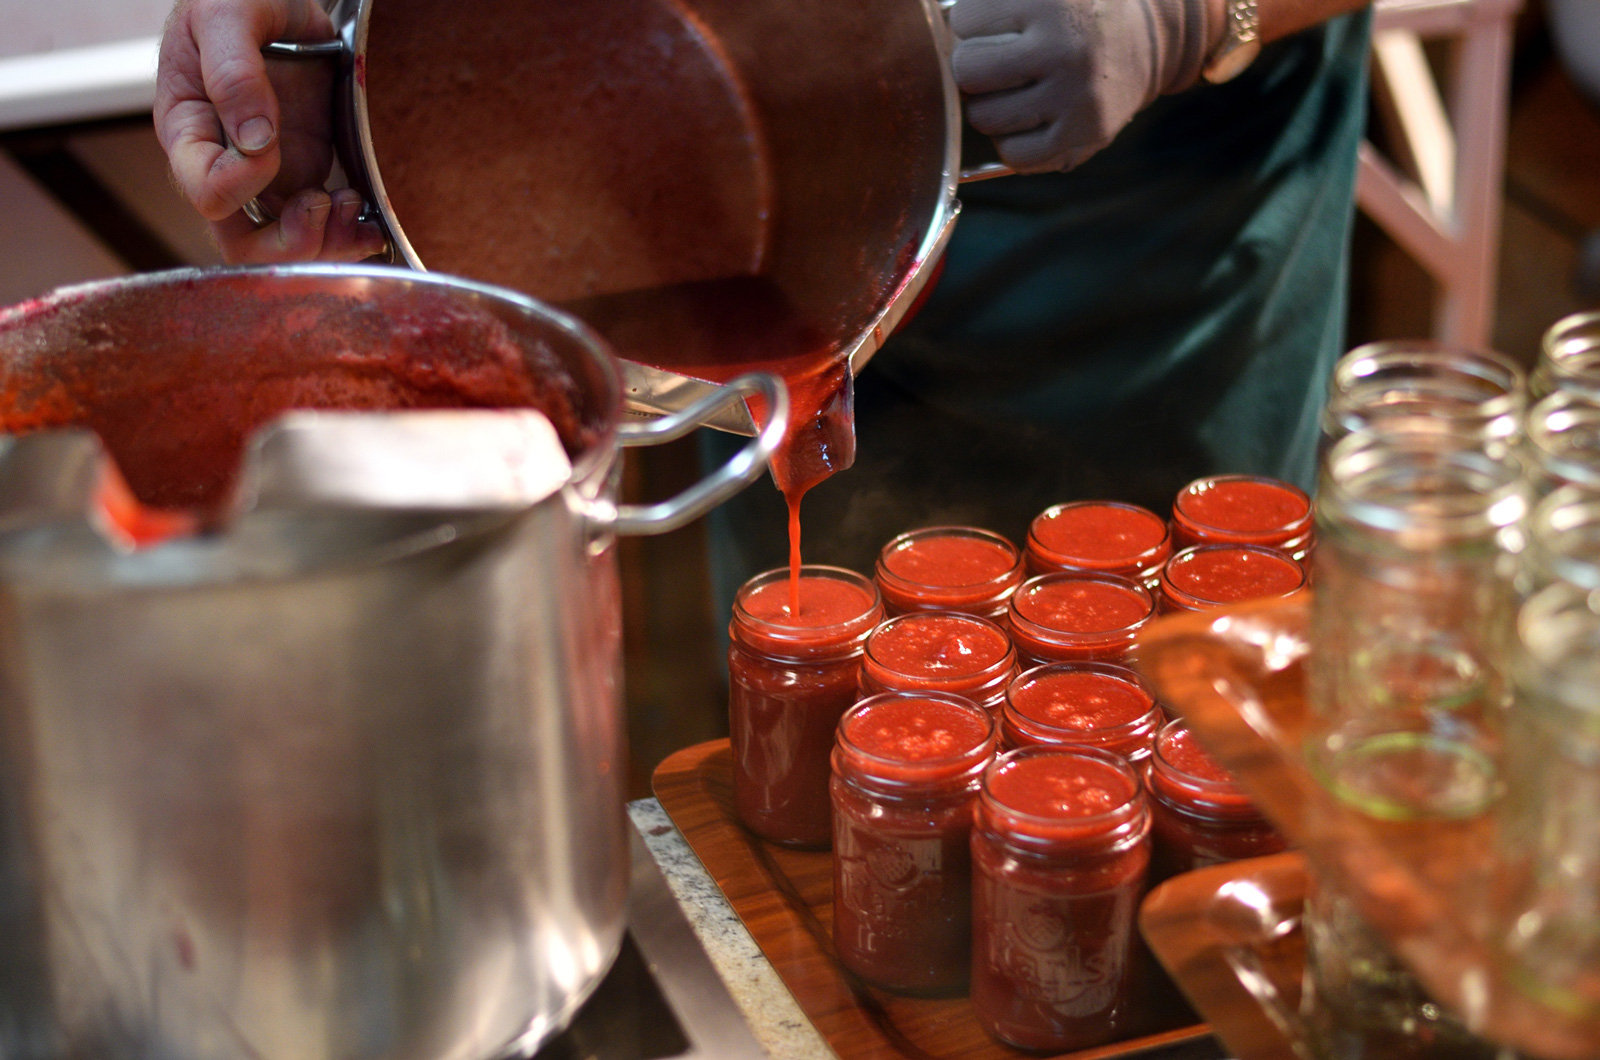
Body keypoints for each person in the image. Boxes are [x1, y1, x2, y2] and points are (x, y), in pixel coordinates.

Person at [155, 0, 1373, 584]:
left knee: (1162, 670)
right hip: (728, 195)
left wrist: (1190, 12)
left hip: (1143, 248)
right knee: (813, 680)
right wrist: (327, 42)